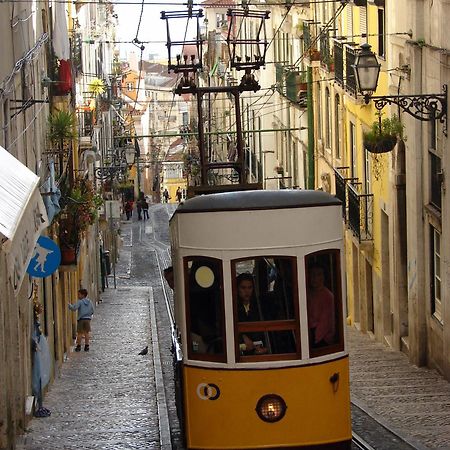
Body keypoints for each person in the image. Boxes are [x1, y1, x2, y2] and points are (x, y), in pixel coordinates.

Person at [236, 273, 267, 355]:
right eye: (243, 288)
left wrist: (265, 348)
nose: (247, 291)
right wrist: (242, 336)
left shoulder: (260, 306)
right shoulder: (232, 306)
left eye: (250, 288)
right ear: (237, 289)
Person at [306, 264, 335, 347]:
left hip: (321, 337)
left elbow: (325, 322)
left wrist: (314, 340)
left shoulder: (328, 296)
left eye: (318, 275)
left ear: (323, 277)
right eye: (312, 275)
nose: (314, 278)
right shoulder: (309, 293)